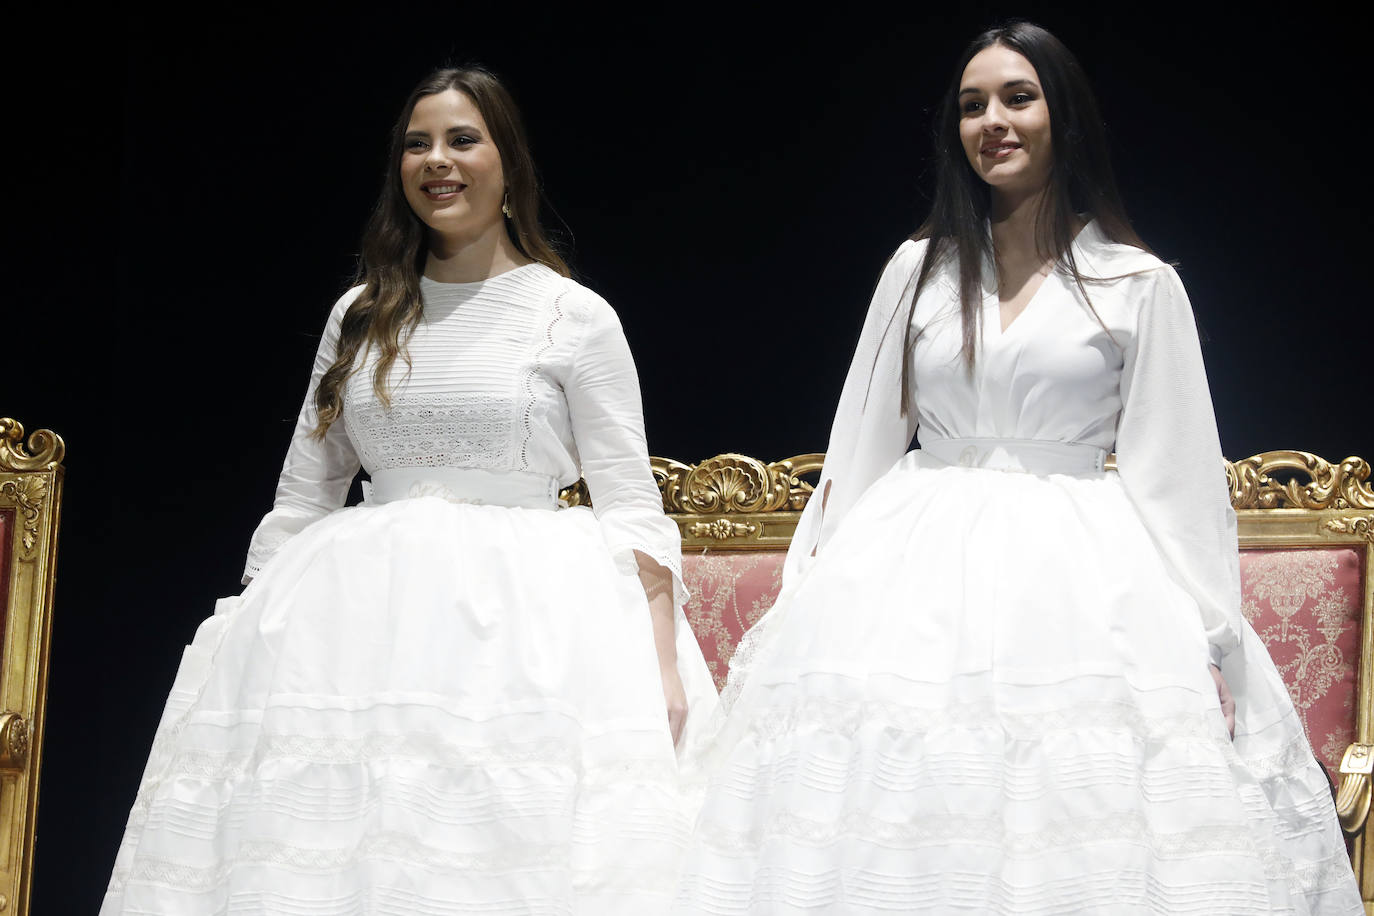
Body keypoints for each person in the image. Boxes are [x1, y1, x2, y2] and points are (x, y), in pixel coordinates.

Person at [674, 22, 1361, 914]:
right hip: (909, 571)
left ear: (1063, 116)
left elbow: (1177, 478)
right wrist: (814, 590)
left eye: (1017, 97)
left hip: (1076, 573)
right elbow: (862, 444)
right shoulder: (918, 270)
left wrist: (1213, 646)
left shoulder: (1137, 281)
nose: (992, 120)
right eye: (971, 105)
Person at [102, 66, 717, 914]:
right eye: (417, 143)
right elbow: (305, 492)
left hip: (525, 627)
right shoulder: (361, 312)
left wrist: (659, 664)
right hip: (354, 625)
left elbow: (627, 500)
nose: (439, 160)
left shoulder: (572, 315)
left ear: (509, 165)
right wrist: (243, 625)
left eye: (463, 139)